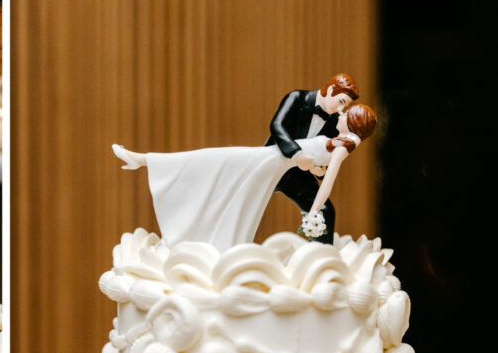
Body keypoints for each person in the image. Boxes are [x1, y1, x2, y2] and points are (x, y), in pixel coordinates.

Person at [112, 103, 377, 251]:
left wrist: (316, 210)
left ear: (353, 121)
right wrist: (314, 167)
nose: (339, 115)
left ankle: (146, 161)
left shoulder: (342, 147)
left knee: (218, 166)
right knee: (217, 163)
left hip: (270, 163)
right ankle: (145, 160)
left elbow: (327, 181)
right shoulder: (342, 143)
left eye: (344, 114)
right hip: (270, 160)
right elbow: (320, 167)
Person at [266, 73, 360, 239]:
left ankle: (321, 257)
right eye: (341, 102)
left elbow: (327, 155)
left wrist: (320, 171)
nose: (341, 110)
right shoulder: (296, 98)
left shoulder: (334, 121)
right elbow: (277, 126)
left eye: (345, 107)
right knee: (248, 205)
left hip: (297, 174)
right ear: (331, 89)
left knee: (325, 212)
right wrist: (296, 154)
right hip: (272, 165)